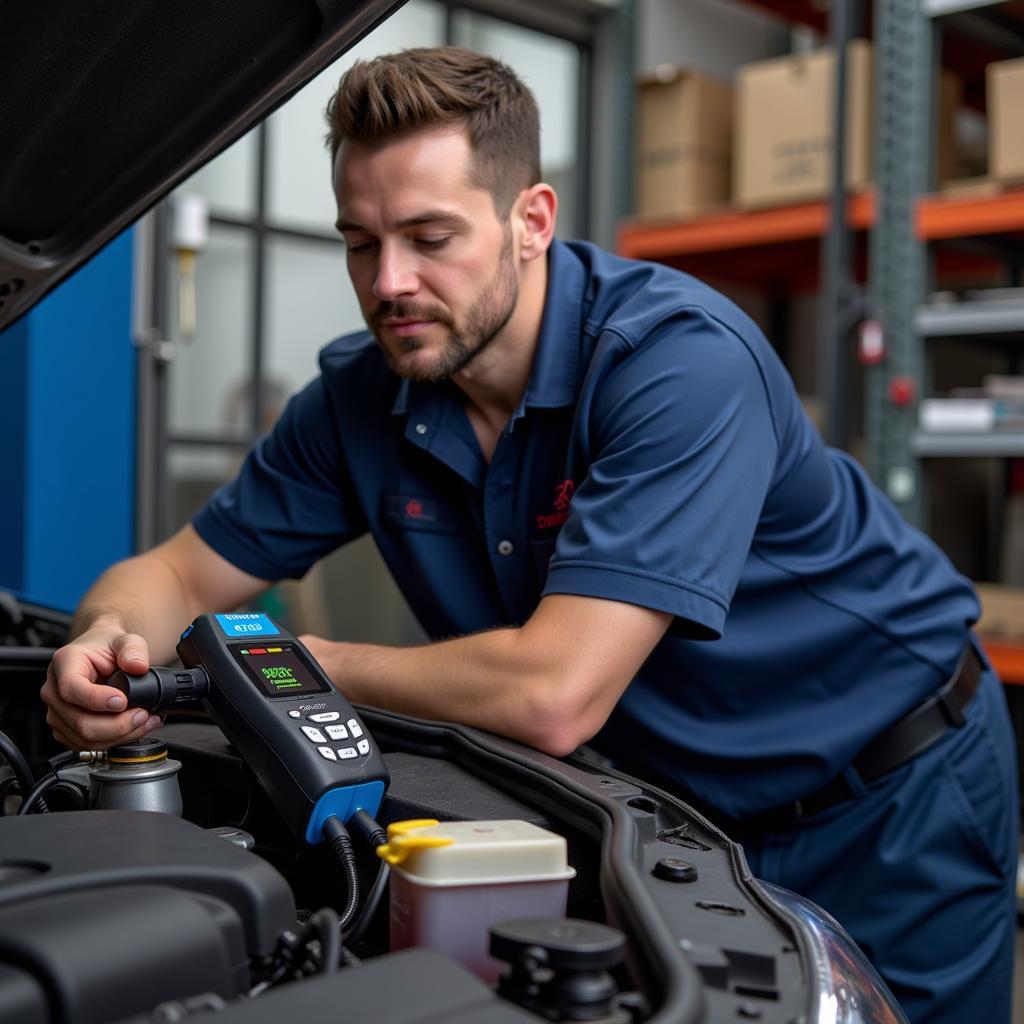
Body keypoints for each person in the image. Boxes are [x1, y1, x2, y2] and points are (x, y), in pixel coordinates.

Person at [41, 46, 1017, 1024]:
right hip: (682, 820)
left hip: (892, 791)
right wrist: (106, 636)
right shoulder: (357, 400)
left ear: (531, 223)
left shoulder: (676, 363)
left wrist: (293, 664)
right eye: (359, 242)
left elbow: (553, 694)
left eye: (429, 236)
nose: (389, 283)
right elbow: (172, 572)